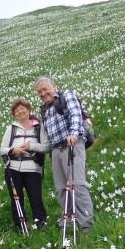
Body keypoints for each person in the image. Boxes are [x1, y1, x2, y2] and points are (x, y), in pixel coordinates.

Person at [35, 76, 94, 233]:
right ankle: (68, 220)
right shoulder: (44, 109)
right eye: (39, 92)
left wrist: (74, 134)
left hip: (72, 145)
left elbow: (75, 114)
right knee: (61, 188)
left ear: (53, 86)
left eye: (45, 89)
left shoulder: (66, 95)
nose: (42, 93)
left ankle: (86, 224)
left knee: (77, 184)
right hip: (56, 150)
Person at [0, 98, 50, 231]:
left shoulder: (39, 128)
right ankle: (20, 226)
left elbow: (47, 147)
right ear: (14, 114)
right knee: (16, 199)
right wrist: (13, 150)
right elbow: (2, 149)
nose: (20, 112)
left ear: (28, 110)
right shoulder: (11, 129)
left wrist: (30, 146)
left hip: (33, 168)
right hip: (13, 168)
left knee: (35, 198)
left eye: (23, 109)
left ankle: (40, 224)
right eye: (17, 111)